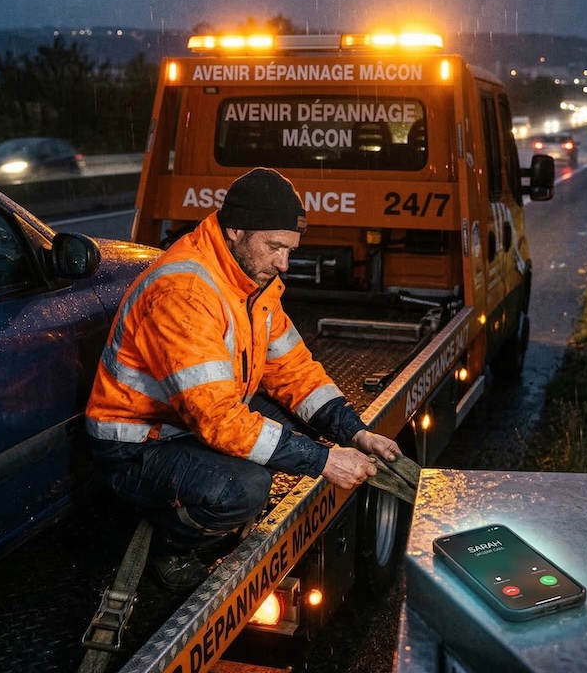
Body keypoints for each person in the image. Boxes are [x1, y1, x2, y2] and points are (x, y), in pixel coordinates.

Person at [86, 167, 400, 592]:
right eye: (274, 247)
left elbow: (293, 371)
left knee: (289, 431)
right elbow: (217, 420)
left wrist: (356, 433)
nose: (283, 263)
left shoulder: (252, 279)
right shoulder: (186, 291)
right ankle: (170, 544)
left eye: (289, 250)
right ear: (234, 230)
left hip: (186, 420)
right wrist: (323, 461)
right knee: (243, 488)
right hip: (139, 444)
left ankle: (191, 494)